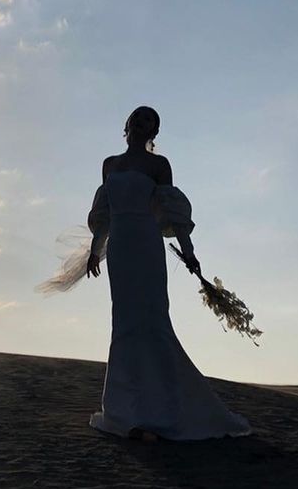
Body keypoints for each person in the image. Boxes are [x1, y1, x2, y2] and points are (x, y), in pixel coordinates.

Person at [85, 106, 252, 442]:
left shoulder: (159, 165)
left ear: (154, 132)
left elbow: (173, 212)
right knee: (124, 323)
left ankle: (164, 410)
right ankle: (126, 411)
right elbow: (105, 214)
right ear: (127, 124)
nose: (142, 122)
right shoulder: (109, 164)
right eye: (138, 117)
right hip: (120, 248)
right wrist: (94, 250)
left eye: (150, 120)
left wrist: (189, 252)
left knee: (153, 321)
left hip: (146, 245)